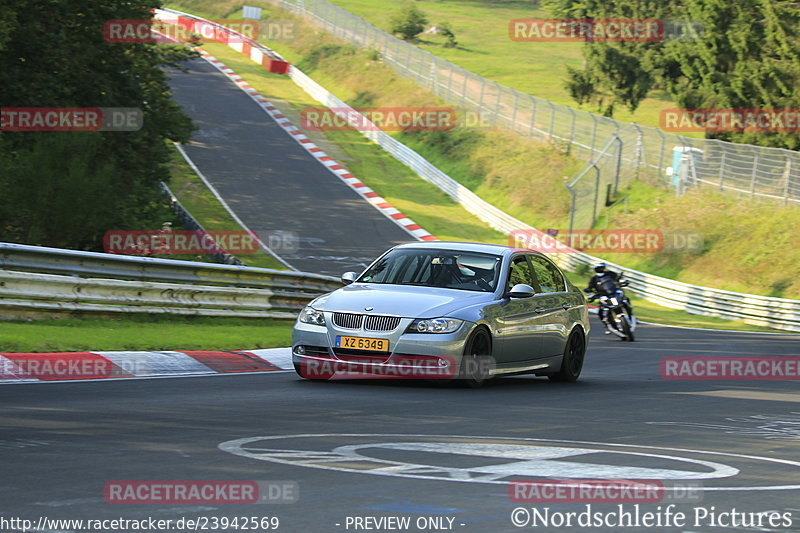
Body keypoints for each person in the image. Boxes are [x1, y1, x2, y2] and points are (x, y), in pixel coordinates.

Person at [585, 261, 630, 333]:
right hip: (603, 296)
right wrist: (590, 293)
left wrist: (622, 281)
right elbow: (589, 288)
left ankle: (630, 316)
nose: (600, 269)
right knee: (601, 312)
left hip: (614, 293)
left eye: (601, 267)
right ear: (595, 269)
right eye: (598, 268)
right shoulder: (594, 279)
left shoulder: (610, 274)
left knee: (625, 300)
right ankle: (608, 325)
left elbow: (618, 278)